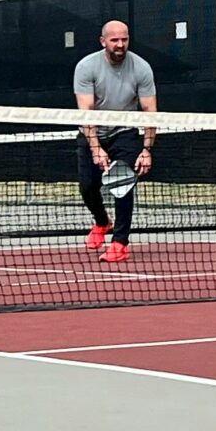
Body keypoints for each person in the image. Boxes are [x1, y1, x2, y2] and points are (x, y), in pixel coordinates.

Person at [74, 20, 158, 262]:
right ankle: (102, 222)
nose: (120, 44)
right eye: (114, 40)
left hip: (124, 132)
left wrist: (146, 149)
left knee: (123, 185)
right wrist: (96, 148)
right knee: (88, 187)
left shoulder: (141, 68)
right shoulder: (86, 67)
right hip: (92, 131)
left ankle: (120, 242)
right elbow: (86, 111)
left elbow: (150, 111)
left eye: (124, 39)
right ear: (103, 41)